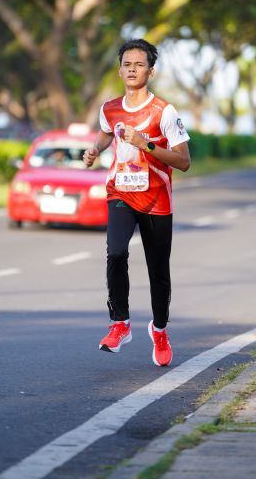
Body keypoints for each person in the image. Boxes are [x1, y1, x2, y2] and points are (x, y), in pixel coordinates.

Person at [83, 38, 191, 367]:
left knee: (158, 271)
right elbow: (107, 132)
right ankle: (120, 324)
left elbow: (184, 161)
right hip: (120, 192)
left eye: (139, 64)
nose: (132, 69)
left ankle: (160, 331)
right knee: (116, 252)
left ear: (151, 71)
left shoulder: (164, 112)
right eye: (127, 64)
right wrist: (95, 149)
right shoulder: (109, 108)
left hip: (156, 198)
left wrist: (147, 145)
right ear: (120, 71)